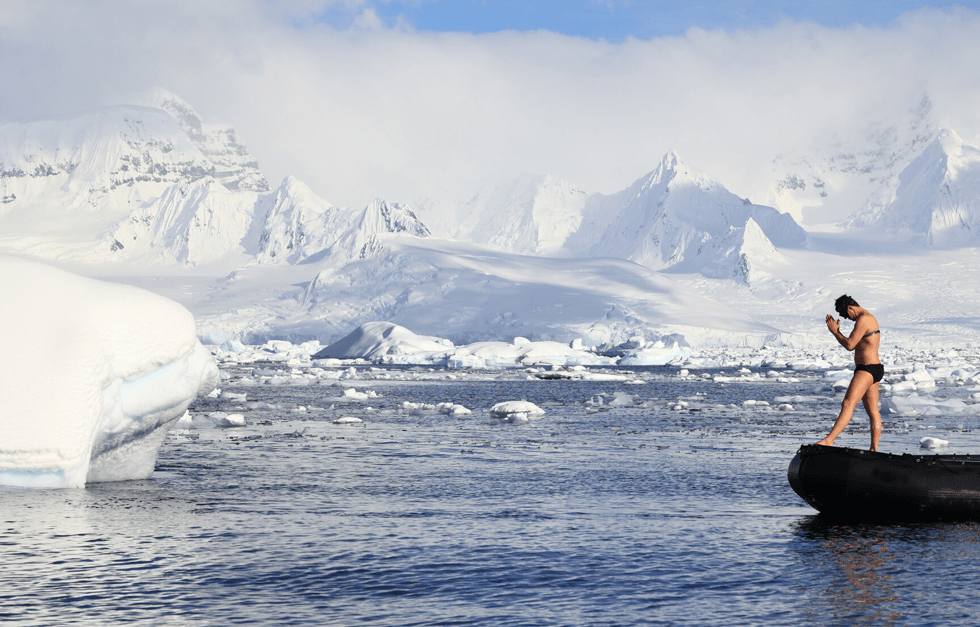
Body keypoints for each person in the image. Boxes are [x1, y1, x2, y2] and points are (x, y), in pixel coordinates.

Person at [815, 295, 883, 451]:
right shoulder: (867, 318)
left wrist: (835, 332)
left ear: (850, 307)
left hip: (867, 368)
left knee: (847, 403)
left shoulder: (864, 319)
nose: (848, 318)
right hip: (873, 368)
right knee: (873, 411)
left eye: (846, 315)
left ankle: (829, 440)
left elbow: (850, 345)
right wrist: (839, 332)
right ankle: (874, 450)